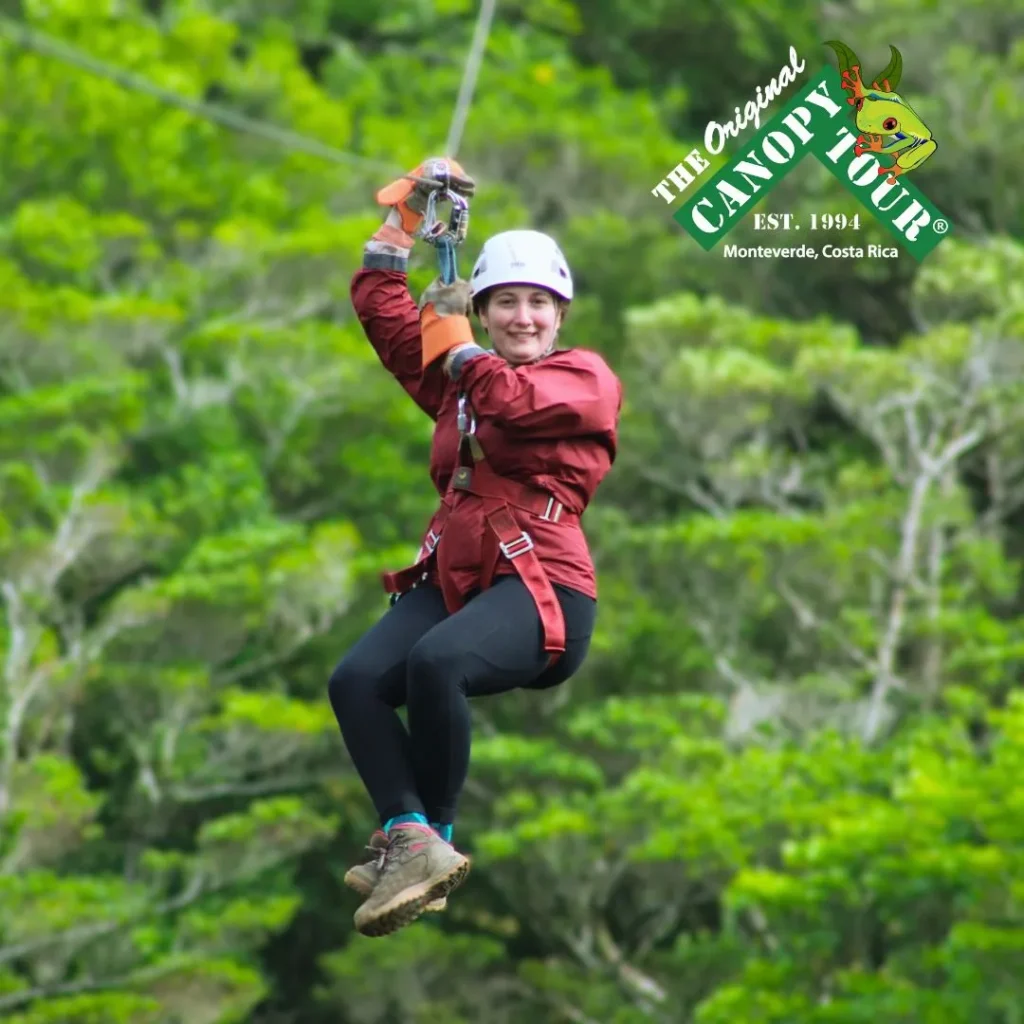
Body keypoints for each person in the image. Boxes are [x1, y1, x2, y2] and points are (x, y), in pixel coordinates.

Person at [327, 157, 623, 938]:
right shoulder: (462, 379)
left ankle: (438, 842)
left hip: (544, 589)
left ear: (559, 316)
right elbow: (391, 325)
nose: (523, 317)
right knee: (355, 681)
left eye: (537, 304)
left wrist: (458, 342)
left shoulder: (583, 378)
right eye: (505, 304)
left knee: (437, 662)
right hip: (461, 577)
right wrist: (402, 229)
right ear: (487, 311)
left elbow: (511, 401)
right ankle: (406, 831)